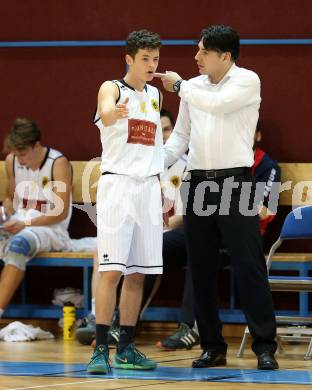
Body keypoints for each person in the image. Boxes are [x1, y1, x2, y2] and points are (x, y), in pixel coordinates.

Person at [159, 25, 279, 370]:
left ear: (224, 56)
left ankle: (264, 345)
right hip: (197, 184)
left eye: (204, 52)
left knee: (248, 265)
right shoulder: (193, 88)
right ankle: (212, 345)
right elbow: (180, 136)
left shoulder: (246, 81)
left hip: (236, 183)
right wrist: (151, 164)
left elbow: (219, 104)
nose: (196, 57)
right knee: (200, 267)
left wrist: (180, 87)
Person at [156, 124, 281, 351]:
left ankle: (190, 328)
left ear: (257, 135)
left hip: (244, 232)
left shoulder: (268, 166)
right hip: (208, 225)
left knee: (203, 257)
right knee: (152, 250)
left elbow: (266, 210)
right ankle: (123, 325)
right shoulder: (211, 163)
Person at [87, 29, 164, 374]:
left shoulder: (155, 95)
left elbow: (154, 147)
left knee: (137, 275)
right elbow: (104, 111)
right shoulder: (112, 88)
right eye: (145, 58)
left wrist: (161, 186)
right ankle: (100, 349)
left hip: (148, 189)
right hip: (118, 187)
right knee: (112, 270)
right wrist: (111, 113)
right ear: (129, 59)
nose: (152, 65)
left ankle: (126, 348)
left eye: (156, 59)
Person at [77, 108, 186, 347]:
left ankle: (123, 334)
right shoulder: (133, 160)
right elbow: (104, 110)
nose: (164, 135)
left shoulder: (183, 165)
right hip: (130, 216)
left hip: (170, 230)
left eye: (167, 129)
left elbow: (185, 216)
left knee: (139, 268)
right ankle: (99, 321)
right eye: (161, 129)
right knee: (107, 261)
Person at [0, 118, 72, 318]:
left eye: (23, 154)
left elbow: (60, 212)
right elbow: (11, 199)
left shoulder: (58, 163)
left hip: (51, 229)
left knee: (19, 244)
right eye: (17, 154)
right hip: (21, 222)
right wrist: (3, 215)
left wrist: (25, 223)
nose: (20, 159)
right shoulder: (12, 162)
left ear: (37, 146)